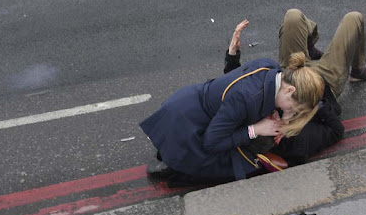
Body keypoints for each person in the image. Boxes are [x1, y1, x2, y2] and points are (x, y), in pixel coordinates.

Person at [141, 51, 324, 185]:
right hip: (187, 126)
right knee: (238, 170)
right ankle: (174, 163)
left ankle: (168, 153)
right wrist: (255, 130)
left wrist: (277, 115)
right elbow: (211, 143)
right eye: (293, 108)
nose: (290, 113)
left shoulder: (272, 68)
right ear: (290, 90)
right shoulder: (246, 98)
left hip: (191, 105)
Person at [224, 20, 345, 167]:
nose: (273, 117)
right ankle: (354, 67)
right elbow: (337, 130)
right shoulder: (301, 141)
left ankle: (310, 46)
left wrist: (232, 55)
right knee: (353, 20)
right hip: (320, 86)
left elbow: (237, 89)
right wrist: (315, 102)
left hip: (297, 77)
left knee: (293, 18)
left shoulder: (272, 109)